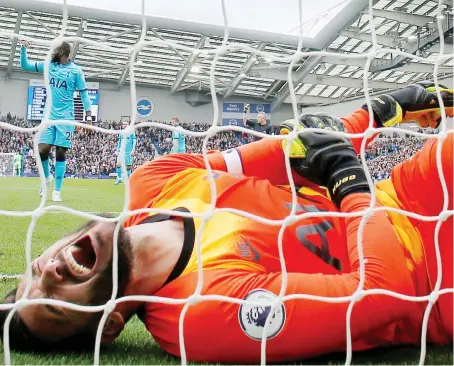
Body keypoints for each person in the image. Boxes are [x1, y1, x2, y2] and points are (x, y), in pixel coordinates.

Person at [0, 83, 452, 363]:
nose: (49, 274)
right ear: (113, 322)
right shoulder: (196, 317)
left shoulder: (156, 179)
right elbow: (382, 291)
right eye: (56, 305)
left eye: (30, 278)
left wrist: (378, 111)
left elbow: (301, 150)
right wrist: (351, 186)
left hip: (407, 193)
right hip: (432, 279)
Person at [20, 40, 92, 202]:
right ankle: (47, 178)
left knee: (60, 152)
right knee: (41, 150)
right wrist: (23, 48)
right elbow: (26, 66)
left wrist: (88, 117)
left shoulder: (76, 71)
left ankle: (57, 191)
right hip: (48, 117)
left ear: (62, 53)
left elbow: (84, 93)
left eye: (55, 50)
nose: (52, 52)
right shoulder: (48, 65)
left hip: (66, 118)